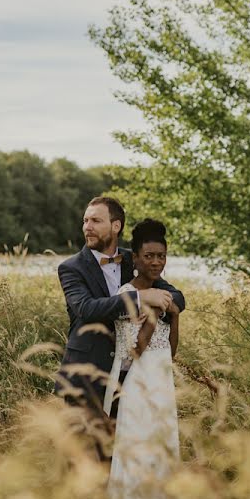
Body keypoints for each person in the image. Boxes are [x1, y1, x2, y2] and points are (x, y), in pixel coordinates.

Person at [54, 197, 185, 460]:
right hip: (85, 379)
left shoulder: (135, 259)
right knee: (84, 465)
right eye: (85, 221)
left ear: (116, 226)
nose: (87, 227)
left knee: (121, 462)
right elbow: (86, 309)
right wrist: (141, 298)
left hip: (129, 380)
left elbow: (177, 296)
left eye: (95, 220)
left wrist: (164, 306)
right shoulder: (71, 268)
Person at [103, 218, 180, 499]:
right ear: (135, 258)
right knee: (136, 446)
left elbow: (170, 351)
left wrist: (174, 317)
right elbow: (135, 348)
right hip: (133, 380)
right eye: (149, 256)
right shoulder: (127, 293)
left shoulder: (165, 293)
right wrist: (152, 315)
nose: (155, 262)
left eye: (160, 256)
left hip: (161, 380)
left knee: (161, 447)